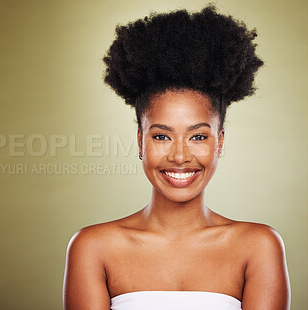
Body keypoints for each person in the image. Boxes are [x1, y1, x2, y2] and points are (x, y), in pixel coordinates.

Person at [63, 4, 291, 310]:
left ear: (219, 141)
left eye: (198, 136)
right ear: (140, 142)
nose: (180, 156)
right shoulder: (92, 248)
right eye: (161, 136)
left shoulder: (259, 246)